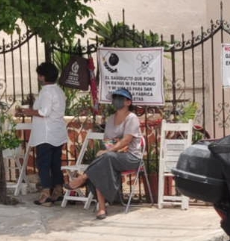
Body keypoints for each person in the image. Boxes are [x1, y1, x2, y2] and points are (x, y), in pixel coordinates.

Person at [66, 88, 143, 219]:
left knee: (105, 157)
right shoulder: (111, 118)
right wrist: (109, 149)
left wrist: (109, 150)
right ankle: (101, 208)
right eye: (115, 97)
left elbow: (126, 140)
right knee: (102, 166)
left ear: (128, 102)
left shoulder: (132, 118)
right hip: (112, 156)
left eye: (120, 98)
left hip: (131, 157)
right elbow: (108, 140)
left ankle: (83, 178)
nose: (116, 100)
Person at [24, 61, 68, 204]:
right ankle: (58, 190)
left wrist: (28, 111)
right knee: (55, 163)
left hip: (46, 134)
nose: (38, 78)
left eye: (39, 75)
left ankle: (46, 194)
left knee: (43, 163)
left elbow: (44, 112)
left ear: (43, 76)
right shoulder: (59, 91)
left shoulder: (47, 92)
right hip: (58, 132)